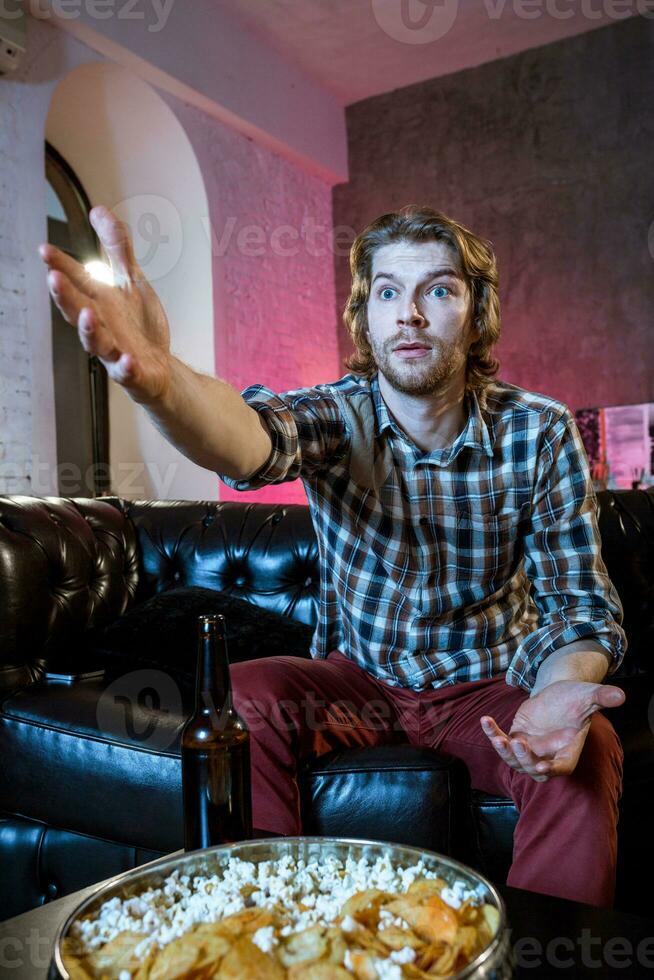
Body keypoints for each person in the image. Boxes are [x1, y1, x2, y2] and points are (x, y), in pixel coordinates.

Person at [39, 203, 627, 908]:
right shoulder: (336, 413)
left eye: (438, 289)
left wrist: (565, 688)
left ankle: (541, 957)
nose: (409, 313)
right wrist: (162, 381)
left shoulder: (540, 430)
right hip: (360, 684)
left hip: (487, 689)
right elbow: (247, 440)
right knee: (246, 698)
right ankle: (279, 931)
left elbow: (577, 604)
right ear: (367, 318)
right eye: (387, 292)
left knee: (586, 750)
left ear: (475, 315)